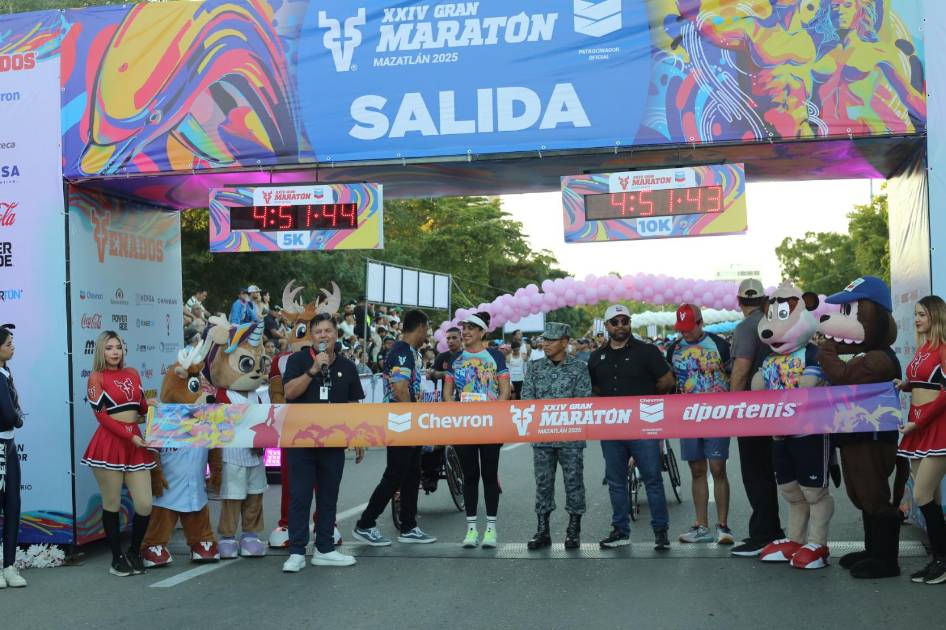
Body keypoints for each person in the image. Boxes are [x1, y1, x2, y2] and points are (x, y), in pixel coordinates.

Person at [281, 313, 365, 573]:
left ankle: (324, 549)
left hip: (333, 442)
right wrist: (313, 370)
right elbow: (289, 393)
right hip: (300, 442)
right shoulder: (297, 361)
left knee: (328, 497)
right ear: (312, 336)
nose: (323, 336)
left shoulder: (347, 366)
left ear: (336, 335)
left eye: (328, 331)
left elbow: (353, 404)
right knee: (300, 496)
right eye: (318, 332)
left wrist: (358, 437)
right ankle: (297, 551)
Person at [588, 304, 675, 551]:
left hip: (643, 426)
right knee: (615, 481)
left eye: (624, 321)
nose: (620, 326)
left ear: (630, 323)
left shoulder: (647, 351)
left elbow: (666, 380)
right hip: (611, 428)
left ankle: (661, 532)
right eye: (615, 322)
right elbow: (594, 389)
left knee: (652, 478)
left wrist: (646, 401)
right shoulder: (596, 357)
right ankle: (620, 531)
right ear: (607, 326)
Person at [353, 310, 437, 547]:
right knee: (395, 474)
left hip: (409, 421)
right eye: (427, 329)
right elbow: (400, 389)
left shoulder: (410, 352)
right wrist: (413, 419)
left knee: (412, 474)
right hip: (401, 422)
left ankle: (408, 526)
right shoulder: (401, 352)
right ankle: (366, 523)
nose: (428, 334)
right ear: (420, 327)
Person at [81, 331, 155, 576]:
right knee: (111, 503)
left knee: (144, 504)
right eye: (109, 348)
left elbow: (141, 407)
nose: (115, 352)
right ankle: (116, 559)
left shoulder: (132, 373)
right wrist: (129, 435)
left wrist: (151, 406)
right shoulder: (96, 377)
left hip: (135, 444)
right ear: (101, 351)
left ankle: (134, 551)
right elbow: (102, 417)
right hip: (109, 444)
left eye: (118, 347)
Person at [666, 304, 734, 545]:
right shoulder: (673, 349)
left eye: (689, 328)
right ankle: (701, 526)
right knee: (696, 470)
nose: (685, 333)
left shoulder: (720, 345)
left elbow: (735, 375)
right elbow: (670, 381)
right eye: (681, 329)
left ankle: (723, 526)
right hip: (688, 417)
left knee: (718, 468)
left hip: (717, 416)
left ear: (700, 322)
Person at [443, 312, 511, 548]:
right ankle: (471, 529)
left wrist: (494, 415)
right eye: (464, 328)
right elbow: (447, 394)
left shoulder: (495, 356)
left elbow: (505, 390)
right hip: (465, 426)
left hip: (491, 425)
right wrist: (458, 414)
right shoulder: (455, 359)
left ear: (483, 332)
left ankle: (491, 529)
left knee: (489, 476)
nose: (466, 332)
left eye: (472, 328)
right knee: (470, 476)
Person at [522, 322, 592, 550]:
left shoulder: (579, 368)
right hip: (542, 438)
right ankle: (543, 530)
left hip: (570, 437)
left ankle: (573, 530)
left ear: (564, 342)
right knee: (543, 484)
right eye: (545, 339)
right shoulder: (534, 368)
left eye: (551, 340)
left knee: (574, 483)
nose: (546, 344)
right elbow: (527, 399)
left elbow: (583, 400)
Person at [728, 279, 782, 557]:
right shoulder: (777, 321)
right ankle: (774, 531)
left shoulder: (746, 327)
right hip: (781, 406)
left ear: (739, 301)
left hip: (752, 408)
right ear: (763, 300)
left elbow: (740, 370)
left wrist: (732, 407)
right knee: (772, 472)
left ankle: (764, 533)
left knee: (755, 472)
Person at [897, 296, 946, 584]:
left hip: (937, 427)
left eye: (923, 315)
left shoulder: (943, 348)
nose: (917, 319)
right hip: (917, 427)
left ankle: (942, 561)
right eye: (916, 314)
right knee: (932, 498)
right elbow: (923, 384)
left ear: (936, 317)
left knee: (921, 494)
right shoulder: (923, 348)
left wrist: (920, 421)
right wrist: (904, 385)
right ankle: (937, 559)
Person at [0, 324, 26, 588]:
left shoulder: (6, 372)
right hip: (0, 444)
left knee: (13, 504)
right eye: (8, 344)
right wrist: (17, 419)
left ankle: (9, 566)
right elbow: (9, 414)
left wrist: (16, 419)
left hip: (9, 445)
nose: (12, 347)